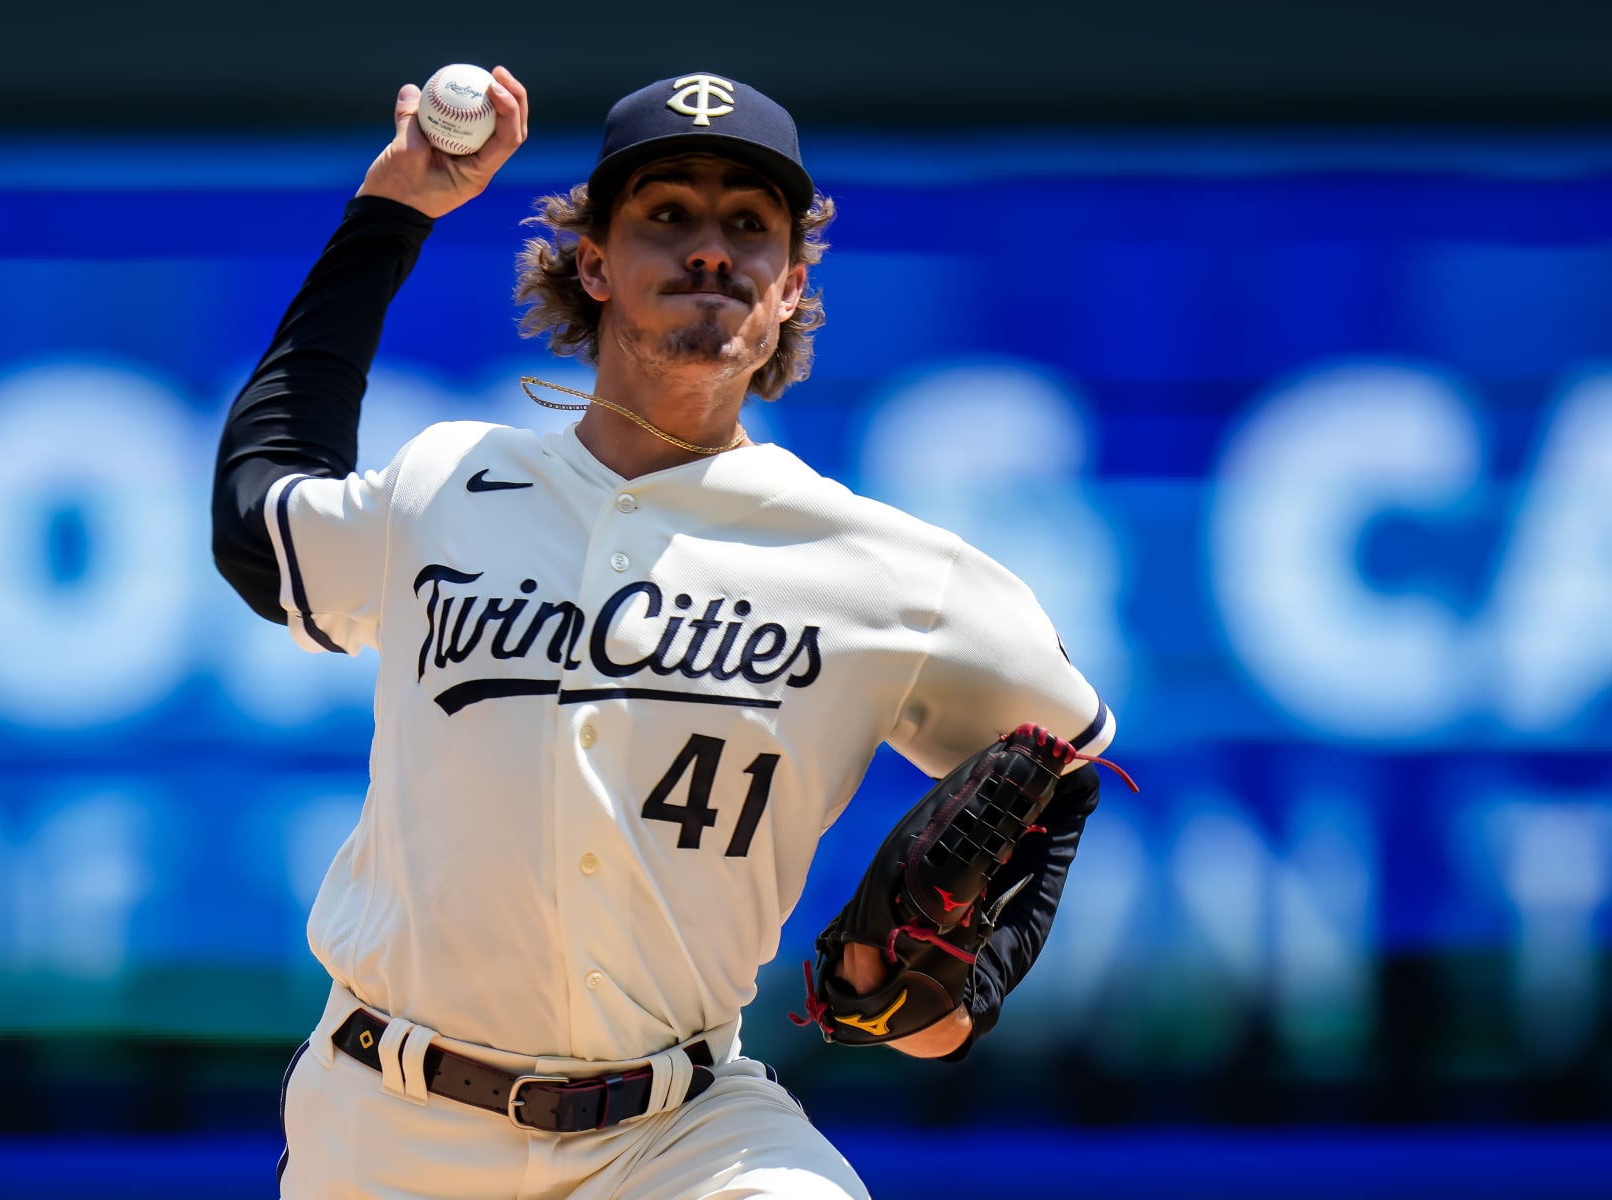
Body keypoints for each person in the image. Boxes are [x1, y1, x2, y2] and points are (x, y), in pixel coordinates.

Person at [212, 66, 1113, 1200]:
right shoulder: (449, 481)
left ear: (790, 286)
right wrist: (390, 214)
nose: (709, 249)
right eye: (666, 216)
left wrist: (962, 999)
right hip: (388, 1130)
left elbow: (1067, 760)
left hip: (680, 1136)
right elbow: (258, 517)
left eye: (749, 224)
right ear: (593, 263)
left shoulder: (887, 573)